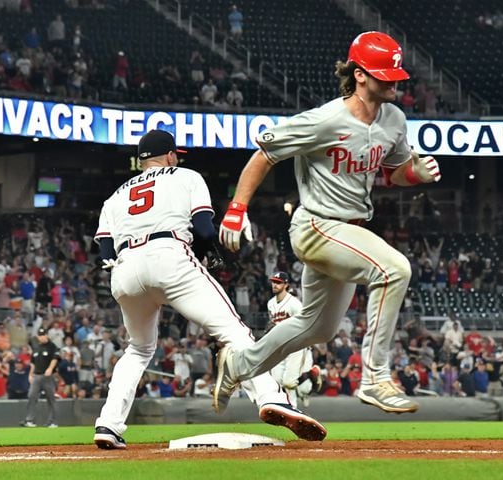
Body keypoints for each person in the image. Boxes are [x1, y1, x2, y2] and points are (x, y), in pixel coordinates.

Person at [215, 32, 441, 416]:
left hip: (349, 231)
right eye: (384, 74)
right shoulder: (324, 120)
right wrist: (237, 208)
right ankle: (375, 377)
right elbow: (265, 154)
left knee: (316, 329)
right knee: (394, 269)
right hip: (316, 226)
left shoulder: (394, 120)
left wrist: (415, 174)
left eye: (395, 74)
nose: (393, 81)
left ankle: (238, 364)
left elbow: (396, 171)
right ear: (359, 75)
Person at [91, 130, 326, 450]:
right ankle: (271, 397)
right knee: (234, 332)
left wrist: (121, 266)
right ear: (170, 155)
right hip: (169, 255)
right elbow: (202, 227)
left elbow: (104, 250)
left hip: (125, 268)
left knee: (138, 349)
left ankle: (108, 424)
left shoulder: (115, 195)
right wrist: (211, 254)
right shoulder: (185, 175)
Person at [266, 271, 321, 408]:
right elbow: (273, 323)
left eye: (278, 282)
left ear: (286, 285)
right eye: (273, 282)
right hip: (279, 345)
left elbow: (306, 322)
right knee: (277, 380)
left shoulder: (294, 303)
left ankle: (310, 382)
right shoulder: (270, 303)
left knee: (291, 383)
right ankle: (291, 408)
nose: (275, 284)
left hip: (295, 344)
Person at [22, 327, 60, 427]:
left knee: (51, 399)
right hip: (37, 376)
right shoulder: (36, 347)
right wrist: (30, 374)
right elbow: (33, 363)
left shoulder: (52, 346)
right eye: (40, 335)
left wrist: (50, 369)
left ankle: (53, 421)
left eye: (43, 335)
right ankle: (30, 420)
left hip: (47, 376)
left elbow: (55, 358)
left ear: (47, 335)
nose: (42, 337)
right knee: (31, 396)